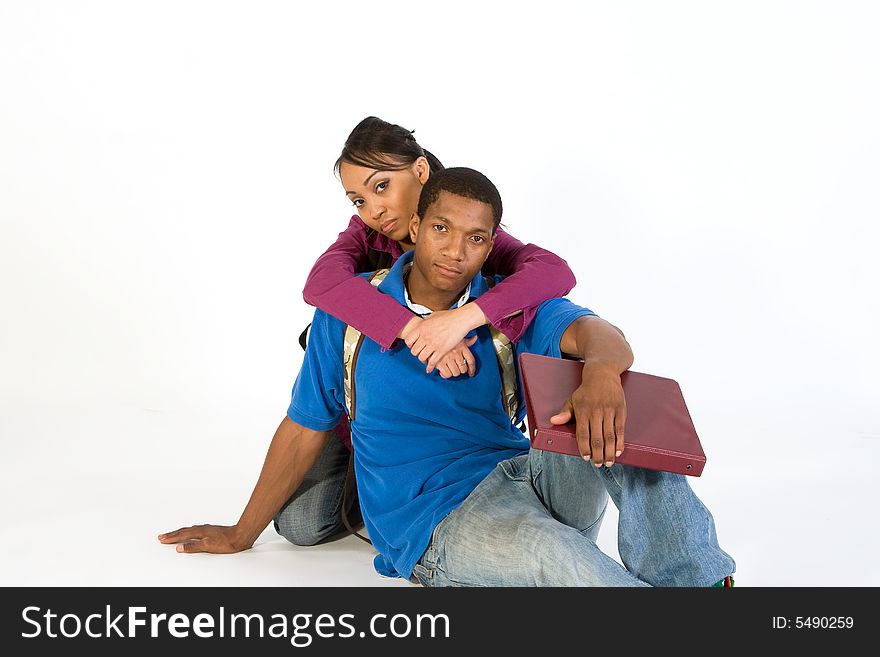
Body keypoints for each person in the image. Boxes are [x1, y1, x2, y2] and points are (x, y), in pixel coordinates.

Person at [159, 167, 736, 587]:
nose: (456, 250)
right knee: (556, 553)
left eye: (476, 238)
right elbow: (302, 429)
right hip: (435, 519)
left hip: (526, 474)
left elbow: (598, 334)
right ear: (415, 225)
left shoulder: (503, 309)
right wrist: (240, 534)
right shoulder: (352, 315)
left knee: (618, 407)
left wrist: (605, 375)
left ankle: (699, 583)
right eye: (441, 228)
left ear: (492, 246)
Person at [276, 116, 579, 547]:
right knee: (301, 525)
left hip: (456, 412)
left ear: (420, 171)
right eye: (357, 199)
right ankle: (387, 481)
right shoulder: (366, 235)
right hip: (368, 404)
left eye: (381, 187)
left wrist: (461, 320)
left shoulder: (468, 230)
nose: (373, 209)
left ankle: (429, 487)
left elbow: (554, 272)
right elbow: (320, 285)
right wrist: (416, 329)